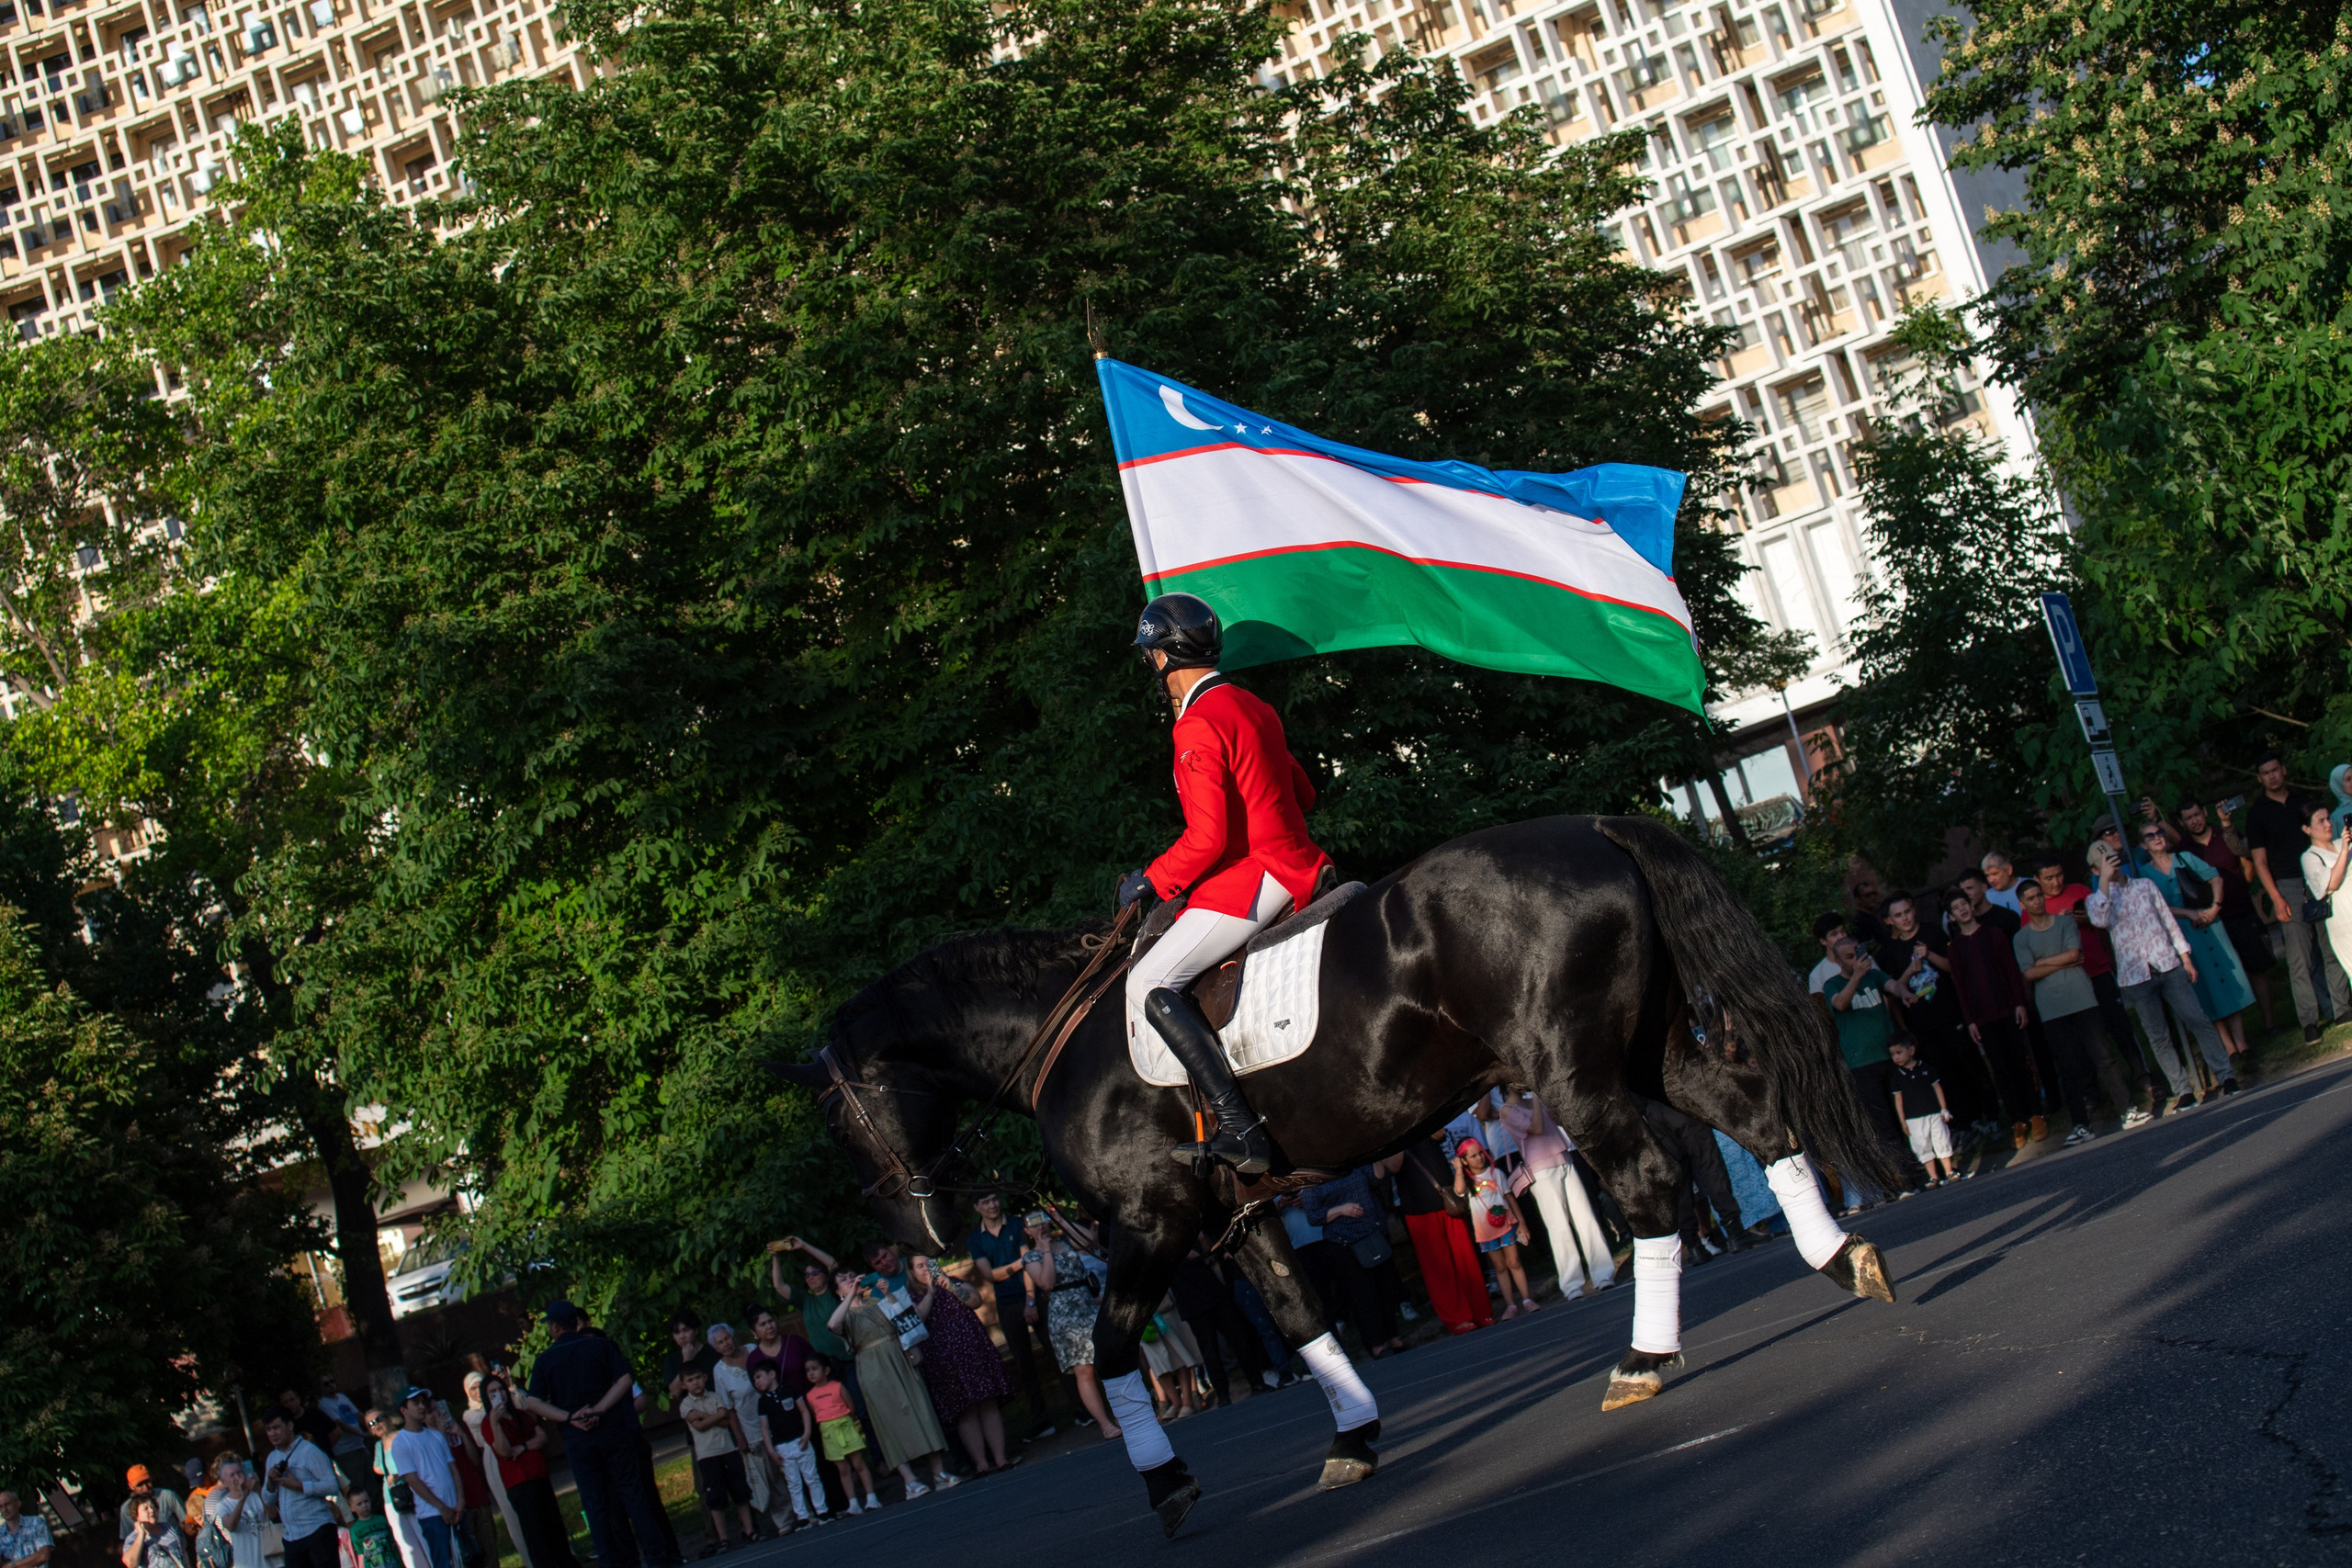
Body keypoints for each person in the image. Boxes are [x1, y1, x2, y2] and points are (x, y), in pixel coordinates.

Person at [1116, 592, 1334, 1174]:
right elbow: (1304, 794)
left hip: (1258, 877)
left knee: (1149, 981)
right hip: (1305, 861)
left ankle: (1239, 1128)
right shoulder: (1253, 705)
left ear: (1163, 658)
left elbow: (1208, 839)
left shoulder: (1195, 725)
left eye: (1151, 658)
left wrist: (1151, 880)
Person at [517, 1302, 680, 1568]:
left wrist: (571, 1417)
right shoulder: (600, 1346)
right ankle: (656, 1555)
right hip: (612, 1430)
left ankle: (612, 1559)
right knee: (633, 1494)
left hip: (578, 1438)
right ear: (577, 1323)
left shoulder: (546, 1359)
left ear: (555, 1327)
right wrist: (601, 1409)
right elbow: (625, 1380)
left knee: (595, 1502)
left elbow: (533, 1402)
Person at [2086, 839, 2237, 1109]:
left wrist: (2185, 957)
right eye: (2106, 863)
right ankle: (2183, 1089)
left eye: (2115, 859)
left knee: (2197, 1018)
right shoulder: (2097, 899)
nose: (2114, 865)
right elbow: (2099, 920)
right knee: (2158, 1035)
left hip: (2166, 962)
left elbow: (2167, 920)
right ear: (2096, 870)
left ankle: (2226, 1076)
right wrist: (2105, 883)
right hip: (2136, 976)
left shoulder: (2144, 886)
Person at [2035, 853, 2156, 1113]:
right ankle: (2093, 1094)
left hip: (2098, 970)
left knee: (2120, 1027)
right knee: (2085, 1041)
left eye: (2058, 875)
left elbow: (2104, 917)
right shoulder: (2036, 908)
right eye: (2048, 878)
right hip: (2070, 984)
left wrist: (2085, 919)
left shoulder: (2080, 890)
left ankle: (2143, 1077)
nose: (2055, 882)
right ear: (2037, 880)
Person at [824, 1268, 958, 1498]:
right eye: (844, 1281)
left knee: (920, 1409)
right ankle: (910, 1480)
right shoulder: (844, 1314)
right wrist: (849, 1298)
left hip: (898, 1357)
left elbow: (905, 1321)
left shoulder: (876, 1301)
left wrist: (888, 1295)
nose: (851, 1279)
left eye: (850, 1276)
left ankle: (939, 1472)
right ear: (838, 1291)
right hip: (873, 1366)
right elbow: (832, 1325)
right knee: (888, 1420)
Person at [2247, 751, 2351, 1043]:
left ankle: (2340, 1010)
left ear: (2283, 770)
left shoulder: (2303, 802)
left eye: (2275, 770)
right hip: (2289, 885)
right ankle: (2309, 1020)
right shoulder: (2258, 814)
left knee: (2329, 948)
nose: (2272, 776)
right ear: (2260, 778)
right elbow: (2260, 862)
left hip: (2321, 874)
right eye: (2265, 773)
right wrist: (2276, 898)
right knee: (2299, 957)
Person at [2139, 822, 2257, 1062]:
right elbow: (2154, 906)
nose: (2157, 838)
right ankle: (2229, 1048)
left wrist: (2215, 907)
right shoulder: (2144, 873)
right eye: (2150, 836)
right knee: (2204, 986)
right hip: (2181, 932)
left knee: (2228, 980)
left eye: (2160, 832)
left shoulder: (2184, 858)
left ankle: (2242, 1044)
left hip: (2208, 922)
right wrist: (2187, 914)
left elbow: (2215, 877)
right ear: (2144, 844)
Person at [2012, 879, 2111, 1143]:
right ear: (2022, 905)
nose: (2038, 901)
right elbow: (2029, 973)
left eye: (2039, 895)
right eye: (2031, 898)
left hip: (2081, 997)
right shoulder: (2021, 938)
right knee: (2067, 1067)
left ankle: (2127, 1108)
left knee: (2101, 1054)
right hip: (2052, 1008)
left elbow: (2074, 954)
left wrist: (2045, 962)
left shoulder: (2065, 922)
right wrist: (2059, 961)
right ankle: (2081, 1124)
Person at [1491, 1086, 1616, 1293]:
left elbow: (1561, 1120)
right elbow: (1536, 1128)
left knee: (1587, 1219)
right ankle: (1571, 1284)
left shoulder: (1533, 1101)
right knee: (1559, 1227)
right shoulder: (1507, 1110)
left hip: (1564, 1159)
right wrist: (1539, 1098)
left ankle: (1603, 1274)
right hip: (1541, 1171)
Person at [1945, 887, 2041, 1144]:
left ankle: (2036, 1114)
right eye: (1956, 908)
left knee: (2022, 1061)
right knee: (2001, 1069)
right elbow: (1961, 989)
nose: (1963, 909)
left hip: (2008, 1009)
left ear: (1971, 905)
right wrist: (1971, 1022)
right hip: (1983, 1018)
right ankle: (2018, 1119)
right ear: (1952, 916)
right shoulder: (1955, 949)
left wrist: (2019, 1003)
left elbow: (2011, 970)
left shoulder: (1994, 934)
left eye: (1964, 903)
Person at [905, 1254, 1014, 1474]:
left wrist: (952, 1288)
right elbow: (917, 1320)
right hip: (942, 1359)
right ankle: (981, 1464)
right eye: (920, 1266)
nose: (926, 1268)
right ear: (912, 1271)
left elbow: (976, 1301)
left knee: (987, 1403)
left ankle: (1001, 1458)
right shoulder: (911, 1296)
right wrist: (930, 1291)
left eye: (929, 1264)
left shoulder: (954, 1282)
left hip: (972, 1350)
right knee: (965, 1411)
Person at [962, 1194, 1056, 1440]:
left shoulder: (1016, 1224)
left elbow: (1030, 1264)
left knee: (1055, 1353)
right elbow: (989, 1275)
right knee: (1025, 1366)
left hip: (1032, 1296)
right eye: (985, 1201)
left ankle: (1081, 1410)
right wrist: (1017, 1263)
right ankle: (1041, 1421)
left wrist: (1030, 1300)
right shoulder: (975, 1238)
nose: (992, 1204)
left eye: (994, 1199)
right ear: (976, 1206)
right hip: (1005, 1304)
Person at [2177, 799, 2277, 1030]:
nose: (2195, 820)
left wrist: (2243, 885)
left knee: (2258, 968)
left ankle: (2270, 1025)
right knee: (2224, 976)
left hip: (2241, 911)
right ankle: (2241, 1038)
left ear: (2204, 810)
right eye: (2189, 818)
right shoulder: (2182, 850)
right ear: (2182, 822)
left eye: (2197, 814)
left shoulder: (2226, 834)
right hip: (2211, 922)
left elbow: (2247, 860)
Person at [1022, 1210, 1122, 1438]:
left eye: (1042, 1221)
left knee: (1108, 1360)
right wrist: (1046, 1250)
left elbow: (1088, 1240)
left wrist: (1060, 1220)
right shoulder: (1031, 1257)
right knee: (1084, 1370)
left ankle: (1121, 1415)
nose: (1041, 1227)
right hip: (1064, 1315)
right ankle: (1105, 1424)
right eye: (1034, 1225)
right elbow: (1046, 1283)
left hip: (1087, 1303)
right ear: (1027, 1231)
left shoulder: (1066, 1242)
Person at [1390, 1128, 1491, 1334]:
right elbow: (1393, 1167)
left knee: (1466, 1258)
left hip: (1446, 1199)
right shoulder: (1387, 1136)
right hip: (1418, 1208)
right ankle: (1458, 1318)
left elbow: (1439, 1133)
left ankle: (1481, 1311)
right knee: (1439, 1268)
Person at [1303, 1168, 1407, 1358]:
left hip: (1370, 1233)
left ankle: (1392, 1336)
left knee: (1384, 1288)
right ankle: (1376, 1344)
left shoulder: (1354, 1163)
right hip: (1342, 1242)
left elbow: (1378, 1179)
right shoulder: (1314, 1176)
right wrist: (1340, 1210)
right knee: (1364, 1294)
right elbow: (1313, 1216)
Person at [479, 1373, 571, 1568]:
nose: (499, 1394)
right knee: (536, 1534)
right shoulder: (488, 1423)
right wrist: (496, 1423)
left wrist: (523, 1447)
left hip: (539, 1474)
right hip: (519, 1481)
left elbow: (541, 1437)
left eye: (500, 1389)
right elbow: (503, 1451)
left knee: (554, 1526)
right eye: (492, 1392)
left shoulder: (520, 1415)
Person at [767, 1240, 865, 1420]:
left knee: (860, 1408)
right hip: (826, 1368)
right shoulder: (806, 1301)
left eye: (814, 1273)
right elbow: (779, 1286)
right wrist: (775, 1258)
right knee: (838, 1414)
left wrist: (803, 1245)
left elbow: (833, 1265)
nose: (810, 1277)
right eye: (806, 1275)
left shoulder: (835, 1294)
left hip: (849, 1361)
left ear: (825, 1276)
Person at [705, 1325, 780, 1538]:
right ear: (715, 1348)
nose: (726, 1343)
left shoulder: (752, 1350)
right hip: (751, 1428)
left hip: (776, 1418)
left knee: (789, 1466)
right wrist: (739, 1436)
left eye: (727, 1338)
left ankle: (806, 1510)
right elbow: (728, 1408)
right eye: (720, 1342)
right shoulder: (719, 1371)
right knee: (769, 1476)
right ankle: (783, 1520)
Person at [676, 1365, 759, 1554]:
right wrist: (716, 1415)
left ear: (705, 1377)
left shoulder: (716, 1397)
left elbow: (725, 1420)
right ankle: (723, 1537)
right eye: (690, 1380)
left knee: (740, 1490)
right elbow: (701, 1426)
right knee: (715, 1496)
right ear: (684, 1385)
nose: (695, 1382)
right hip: (707, 1455)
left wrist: (705, 1415)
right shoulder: (686, 1405)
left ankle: (749, 1530)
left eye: (698, 1377)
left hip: (727, 1449)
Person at [1453, 1138, 1535, 1315]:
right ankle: (1511, 1305)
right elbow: (1459, 1190)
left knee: (1514, 1261)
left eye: (1480, 1153)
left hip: (1506, 1223)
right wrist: (1459, 1169)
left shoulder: (1496, 1173)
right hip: (1486, 1230)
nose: (1479, 1158)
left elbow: (1510, 1197)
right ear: (1464, 1160)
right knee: (1499, 1266)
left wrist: (1522, 1223)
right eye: (1473, 1156)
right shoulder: (1467, 1181)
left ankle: (1527, 1299)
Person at [385, 1392, 463, 1568]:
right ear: (403, 1410)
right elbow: (413, 1481)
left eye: (423, 1402)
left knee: (466, 1558)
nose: (422, 1406)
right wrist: (442, 1508)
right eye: (415, 1403)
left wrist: (460, 1501)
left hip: (455, 1508)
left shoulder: (435, 1436)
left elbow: (453, 1469)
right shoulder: (401, 1443)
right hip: (432, 1514)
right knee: (444, 1562)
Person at [260, 1405, 345, 1568]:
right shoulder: (272, 1457)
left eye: (276, 1427)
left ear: (290, 1426)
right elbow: (268, 1500)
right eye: (268, 1429)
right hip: (292, 1537)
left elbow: (332, 1486)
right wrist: (271, 1482)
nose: (272, 1434)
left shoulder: (310, 1452)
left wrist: (300, 1486)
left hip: (317, 1530)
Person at [458, 1374, 527, 1568]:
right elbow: (483, 1434)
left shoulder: (508, 1403)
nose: (477, 1393)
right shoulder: (471, 1415)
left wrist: (510, 1389)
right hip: (494, 1460)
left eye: (480, 1387)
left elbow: (523, 1408)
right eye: (473, 1389)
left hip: (518, 1453)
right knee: (511, 1510)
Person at [751, 1363, 828, 1529]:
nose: (756, 1382)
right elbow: (764, 1427)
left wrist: (806, 1433)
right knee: (793, 1482)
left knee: (812, 1477)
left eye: (759, 1377)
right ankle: (802, 1516)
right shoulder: (763, 1402)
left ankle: (822, 1511)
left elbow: (804, 1411)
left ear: (772, 1374)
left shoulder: (790, 1390)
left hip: (800, 1440)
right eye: (754, 1379)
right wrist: (771, 1450)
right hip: (782, 1446)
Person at [802, 1359, 879, 1515]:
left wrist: (847, 1420)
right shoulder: (810, 1395)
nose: (811, 1373)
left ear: (826, 1371)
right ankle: (853, 1503)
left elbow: (851, 1406)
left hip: (845, 1427)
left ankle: (871, 1498)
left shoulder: (837, 1387)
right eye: (808, 1370)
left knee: (858, 1464)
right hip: (829, 1433)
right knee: (843, 1470)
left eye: (814, 1368)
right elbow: (814, 1413)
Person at [1886, 1038, 1961, 1185]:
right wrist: (1903, 1121)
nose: (1896, 1057)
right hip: (1913, 1119)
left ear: (1911, 1050)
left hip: (1934, 1113)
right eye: (1893, 1054)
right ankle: (1933, 1177)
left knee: (1941, 1140)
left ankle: (1949, 1172)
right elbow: (1898, 1101)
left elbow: (1937, 1088)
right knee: (1921, 1145)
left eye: (1899, 1052)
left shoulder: (1926, 1068)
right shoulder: (1897, 1078)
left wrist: (1943, 1108)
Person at [2299, 805, 2352, 1008]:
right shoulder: (2310, 857)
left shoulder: (2342, 843)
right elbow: (2331, 884)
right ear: (2307, 829)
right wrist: (2345, 851)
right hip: (2343, 922)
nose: (2328, 824)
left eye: (2328, 819)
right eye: (2321, 821)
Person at [316, 1380, 374, 1494]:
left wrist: (371, 1427)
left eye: (332, 1382)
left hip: (360, 1445)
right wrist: (361, 1434)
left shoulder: (342, 1397)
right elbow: (339, 1424)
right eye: (326, 1384)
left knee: (371, 1482)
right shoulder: (323, 1404)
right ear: (321, 1388)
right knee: (358, 1486)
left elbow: (357, 1415)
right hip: (345, 1451)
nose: (331, 1385)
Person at [201, 1460, 262, 1568]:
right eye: (232, 1475)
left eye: (239, 1473)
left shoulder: (256, 1495)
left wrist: (259, 1490)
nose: (237, 1478)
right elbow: (230, 1526)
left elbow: (272, 1514)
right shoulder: (223, 1505)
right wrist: (242, 1498)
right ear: (225, 1482)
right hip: (246, 1562)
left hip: (270, 1557)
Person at [119, 1469, 189, 1549]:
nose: (145, 1487)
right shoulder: (126, 1509)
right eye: (140, 1484)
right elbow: (127, 1540)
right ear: (131, 1486)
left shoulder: (168, 1496)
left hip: (177, 1551)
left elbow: (187, 1523)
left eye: (147, 1481)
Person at [337, 1486, 397, 1568]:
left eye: (366, 1501)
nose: (364, 1505)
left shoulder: (382, 1520)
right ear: (351, 1508)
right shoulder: (354, 1530)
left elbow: (393, 1544)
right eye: (359, 1504)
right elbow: (360, 1554)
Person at [122, 1498, 189, 1568]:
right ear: (136, 1516)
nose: (151, 1510)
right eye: (146, 1509)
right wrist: (141, 1534)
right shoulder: (133, 1538)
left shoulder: (167, 1527)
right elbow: (131, 1563)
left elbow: (182, 1553)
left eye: (153, 1507)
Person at [0, 1491, 52, 1568]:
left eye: (7, 1504)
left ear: (18, 1504)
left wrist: (12, 1565)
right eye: (0, 1506)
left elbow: (43, 1555)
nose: (5, 1509)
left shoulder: (36, 1523)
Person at [1980, 852, 2025, 916]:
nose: (1991, 880)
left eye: (1995, 874)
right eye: (1987, 875)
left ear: (2009, 870)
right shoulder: (1986, 897)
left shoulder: (2032, 885)